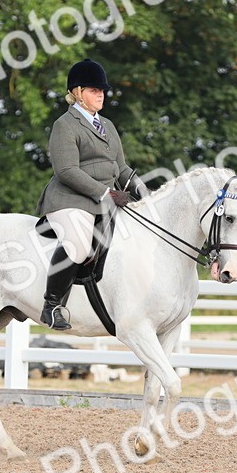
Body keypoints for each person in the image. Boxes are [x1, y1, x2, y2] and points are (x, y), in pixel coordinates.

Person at [35, 58, 149, 330]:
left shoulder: (107, 125)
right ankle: (51, 306)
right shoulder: (66, 124)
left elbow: (120, 167)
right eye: (94, 90)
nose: (101, 94)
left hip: (104, 200)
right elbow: (66, 170)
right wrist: (106, 193)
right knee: (78, 242)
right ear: (77, 93)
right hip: (70, 200)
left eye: (102, 90)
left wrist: (144, 191)